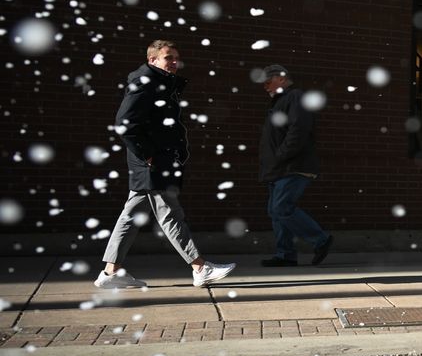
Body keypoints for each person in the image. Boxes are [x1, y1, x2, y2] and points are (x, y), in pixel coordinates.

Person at [95, 40, 237, 289]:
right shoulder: (145, 82)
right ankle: (199, 267)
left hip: (154, 160)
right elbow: (124, 123)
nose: (174, 62)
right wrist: (148, 154)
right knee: (170, 214)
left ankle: (110, 273)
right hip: (151, 161)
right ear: (152, 60)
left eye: (176, 58)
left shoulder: (160, 84)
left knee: (130, 217)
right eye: (168, 57)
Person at [259, 64, 333, 266]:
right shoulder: (280, 101)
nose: (265, 87)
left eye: (268, 81)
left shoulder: (295, 97)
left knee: (282, 207)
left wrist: (281, 156)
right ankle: (286, 255)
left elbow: (298, 131)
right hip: (279, 168)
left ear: (281, 78)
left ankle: (321, 240)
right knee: (276, 211)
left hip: (293, 166)